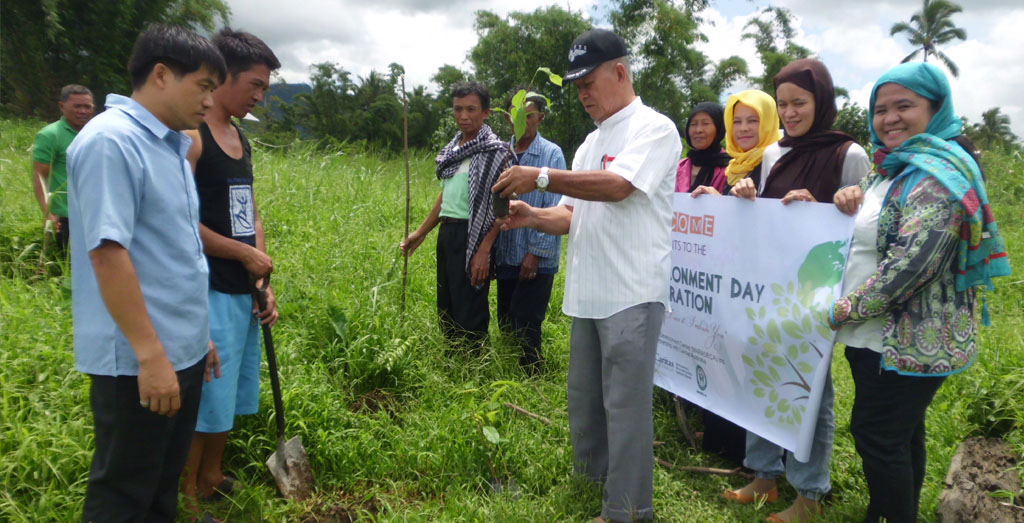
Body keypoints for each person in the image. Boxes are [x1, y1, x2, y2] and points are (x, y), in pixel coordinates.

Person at [493, 28, 681, 522]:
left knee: (626, 407)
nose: (581, 93)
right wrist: (531, 215)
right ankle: (592, 480)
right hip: (589, 292)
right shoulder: (589, 143)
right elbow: (571, 215)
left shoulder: (653, 129)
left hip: (632, 292)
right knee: (587, 401)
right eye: (575, 84)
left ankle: (627, 509)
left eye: (588, 81)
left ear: (619, 72)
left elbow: (619, 187)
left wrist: (539, 177)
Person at [828, 62, 1010, 523]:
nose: (889, 118)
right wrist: (849, 197)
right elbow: (872, 226)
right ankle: (894, 512)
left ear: (935, 107)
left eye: (904, 106)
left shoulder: (941, 175)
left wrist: (847, 307)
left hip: (910, 337)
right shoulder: (892, 167)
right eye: (881, 108)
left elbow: (914, 262)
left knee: (877, 435)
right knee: (900, 435)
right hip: (876, 338)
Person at [66, 24, 225, 522]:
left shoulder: (169, 146)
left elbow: (170, 252)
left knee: (160, 486)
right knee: (124, 493)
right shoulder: (112, 142)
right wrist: (151, 355)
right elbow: (108, 255)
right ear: (161, 74)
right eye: (202, 87)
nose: (208, 103)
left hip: (177, 348)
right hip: (138, 359)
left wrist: (197, 339)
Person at [719, 58, 871, 523]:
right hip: (773, 286)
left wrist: (835, 205)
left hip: (819, 292)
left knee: (811, 390)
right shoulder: (774, 153)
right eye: (782, 104)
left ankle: (809, 494)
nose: (789, 113)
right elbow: (767, 215)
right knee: (761, 373)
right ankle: (764, 475)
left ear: (821, 101)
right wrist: (745, 194)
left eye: (798, 103)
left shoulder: (850, 155)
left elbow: (864, 227)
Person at [180, 27, 280, 507]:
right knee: (207, 397)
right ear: (222, 76)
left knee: (235, 392)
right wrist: (242, 255)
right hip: (209, 287)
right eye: (254, 85)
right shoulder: (192, 138)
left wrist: (260, 275)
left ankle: (214, 474)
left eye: (264, 88)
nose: (259, 96)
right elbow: (179, 222)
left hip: (243, 289)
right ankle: (190, 494)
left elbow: (249, 211)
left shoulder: (239, 137)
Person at [401, 82, 510, 346]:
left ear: (485, 113)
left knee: (470, 302)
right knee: (447, 298)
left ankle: (474, 366)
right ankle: (453, 359)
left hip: (474, 234)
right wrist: (420, 233)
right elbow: (445, 199)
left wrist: (485, 250)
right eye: (458, 109)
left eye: (471, 109)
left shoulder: (495, 152)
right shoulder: (452, 152)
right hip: (448, 233)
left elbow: (503, 206)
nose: (463, 115)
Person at [494, 89, 566, 373]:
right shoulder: (502, 153)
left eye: (529, 113)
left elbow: (556, 204)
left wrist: (534, 254)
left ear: (541, 118)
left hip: (537, 257)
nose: (522, 119)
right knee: (505, 319)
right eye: (517, 113)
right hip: (506, 253)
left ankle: (532, 377)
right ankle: (507, 376)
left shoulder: (551, 154)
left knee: (528, 322)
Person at [32, 84, 95, 251]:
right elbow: (40, 177)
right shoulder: (50, 135)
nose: (83, 111)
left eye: (87, 106)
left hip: (94, 213)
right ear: (62, 106)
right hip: (65, 216)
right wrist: (48, 214)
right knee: (69, 269)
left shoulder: (97, 133)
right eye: (77, 106)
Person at [691, 90, 780, 198]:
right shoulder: (735, 167)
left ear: (768, 122)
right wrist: (717, 201)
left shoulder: (779, 165)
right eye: (737, 121)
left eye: (752, 120)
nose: (743, 128)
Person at [675, 101, 730, 193]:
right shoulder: (679, 167)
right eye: (693, 124)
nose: (698, 130)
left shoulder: (730, 170)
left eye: (705, 123)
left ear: (719, 127)